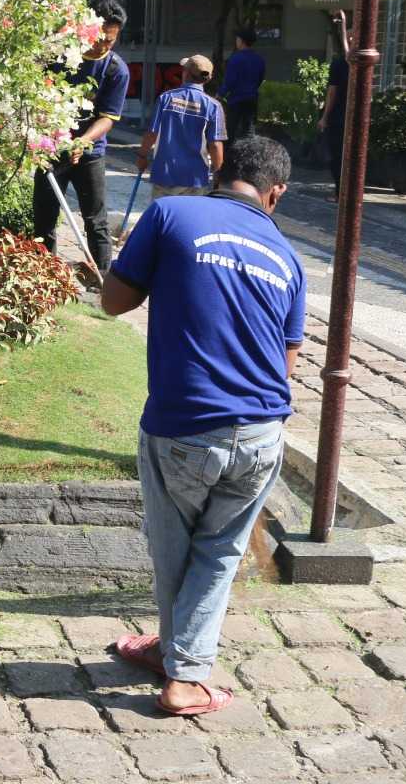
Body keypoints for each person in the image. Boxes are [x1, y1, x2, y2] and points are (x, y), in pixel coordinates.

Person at [101, 135, 306, 718]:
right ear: (276, 194)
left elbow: (113, 302)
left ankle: (184, 678)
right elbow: (285, 364)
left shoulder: (171, 212)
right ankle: (176, 650)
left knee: (176, 550)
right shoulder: (287, 256)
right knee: (218, 551)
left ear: (219, 168)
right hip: (263, 430)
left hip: (183, 425)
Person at [32, 0, 130, 276]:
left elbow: (108, 117)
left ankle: (102, 281)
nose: (104, 45)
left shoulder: (115, 69)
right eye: (101, 38)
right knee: (44, 218)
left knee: (96, 221)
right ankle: (43, 277)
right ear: (87, 28)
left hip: (90, 152)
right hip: (51, 149)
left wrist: (83, 141)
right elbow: (38, 100)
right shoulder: (60, 57)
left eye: (111, 41)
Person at [138, 55, 227, 200]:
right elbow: (215, 145)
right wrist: (218, 175)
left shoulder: (165, 99)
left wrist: (142, 156)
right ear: (208, 79)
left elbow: (152, 134)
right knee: (191, 221)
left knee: (163, 220)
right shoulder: (213, 106)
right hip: (195, 178)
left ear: (185, 73)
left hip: (164, 174)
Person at [318, 15, 351, 201]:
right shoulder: (351, 65)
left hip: (340, 117)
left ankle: (340, 193)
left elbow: (332, 92)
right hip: (346, 116)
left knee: (338, 155)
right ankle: (342, 191)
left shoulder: (342, 64)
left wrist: (324, 117)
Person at [221, 28, 266, 140]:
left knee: (231, 129)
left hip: (236, 99)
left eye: (237, 39)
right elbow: (260, 79)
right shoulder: (259, 59)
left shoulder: (235, 59)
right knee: (249, 130)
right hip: (252, 98)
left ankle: (230, 154)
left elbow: (229, 81)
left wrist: (220, 94)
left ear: (241, 41)